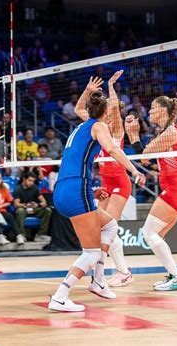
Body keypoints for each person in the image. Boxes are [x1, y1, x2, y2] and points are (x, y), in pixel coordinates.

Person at [48, 87, 145, 312]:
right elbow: (111, 148)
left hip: (66, 189)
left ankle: (99, 281)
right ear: (107, 114)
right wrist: (135, 170)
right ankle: (60, 296)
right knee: (91, 252)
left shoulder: (80, 127)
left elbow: (74, 164)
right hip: (75, 190)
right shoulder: (98, 126)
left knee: (110, 226)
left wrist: (90, 192)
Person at [125, 96, 177, 291]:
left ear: (163, 110)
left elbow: (144, 155)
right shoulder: (167, 132)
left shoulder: (171, 132)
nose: (150, 111)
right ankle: (174, 274)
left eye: (153, 108)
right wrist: (133, 135)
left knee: (148, 233)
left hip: (176, 189)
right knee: (156, 236)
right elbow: (147, 160)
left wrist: (133, 134)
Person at [76, 72, 134, 287]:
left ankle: (123, 272)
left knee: (110, 226)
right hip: (106, 183)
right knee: (103, 228)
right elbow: (78, 110)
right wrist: (88, 91)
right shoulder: (96, 127)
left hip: (120, 182)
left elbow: (116, 109)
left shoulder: (116, 129)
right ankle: (116, 270)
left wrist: (110, 85)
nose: (109, 111)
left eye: (112, 109)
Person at [13, 172, 52, 243]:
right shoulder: (18, 189)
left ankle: (41, 234)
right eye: (30, 181)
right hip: (24, 208)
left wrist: (37, 204)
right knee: (20, 211)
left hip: (34, 209)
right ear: (24, 179)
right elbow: (16, 204)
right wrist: (26, 205)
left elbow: (44, 202)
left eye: (33, 181)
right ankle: (21, 235)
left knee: (47, 210)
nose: (31, 183)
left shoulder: (35, 188)